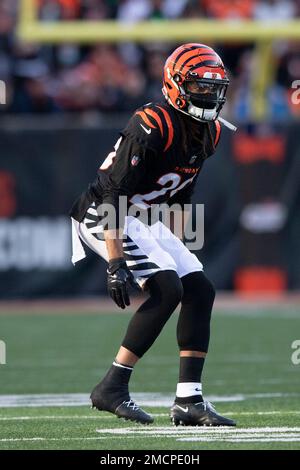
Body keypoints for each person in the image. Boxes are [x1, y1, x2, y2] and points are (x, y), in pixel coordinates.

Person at [70, 43, 236, 427]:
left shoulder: (210, 132)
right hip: (105, 210)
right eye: (200, 87)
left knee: (199, 288)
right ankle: (112, 385)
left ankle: (188, 401)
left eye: (214, 88)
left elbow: (180, 197)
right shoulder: (152, 122)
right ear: (177, 85)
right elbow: (114, 192)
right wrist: (115, 262)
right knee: (167, 289)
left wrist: (180, 249)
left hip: (142, 214)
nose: (209, 96)